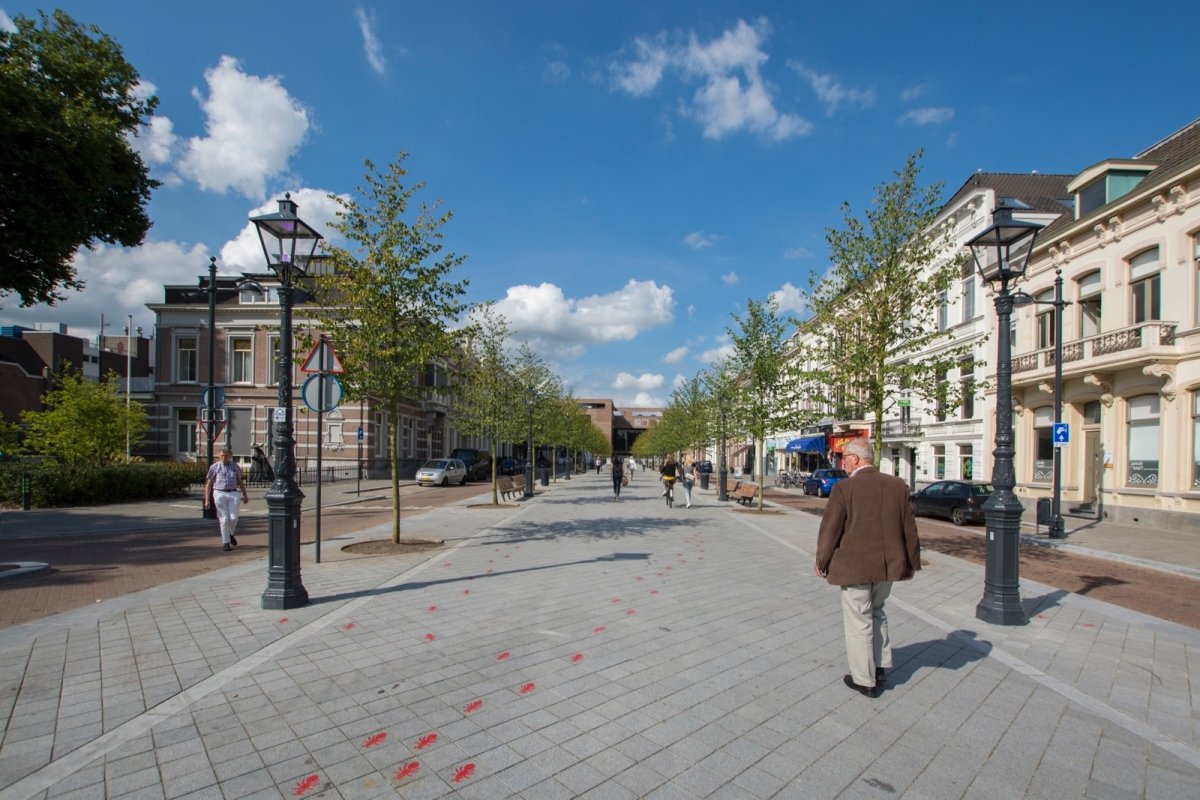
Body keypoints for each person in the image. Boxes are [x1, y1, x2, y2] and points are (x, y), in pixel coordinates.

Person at [813, 438, 920, 698]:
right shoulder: (897, 486)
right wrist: (911, 562)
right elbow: (909, 528)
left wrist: (821, 561)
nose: (843, 463)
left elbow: (830, 530)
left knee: (859, 620)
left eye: (845, 458)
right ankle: (880, 666)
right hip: (888, 566)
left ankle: (864, 679)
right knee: (878, 612)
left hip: (855, 566)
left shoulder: (844, 489)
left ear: (856, 459)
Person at [204, 448, 248, 551]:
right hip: (219, 492)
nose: (224, 457)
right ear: (219, 456)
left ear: (230, 456)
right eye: (222, 455)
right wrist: (207, 499)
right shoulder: (214, 467)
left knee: (233, 517)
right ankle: (226, 542)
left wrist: (245, 494)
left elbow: (240, 481)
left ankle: (230, 533)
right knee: (223, 518)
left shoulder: (235, 466)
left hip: (233, 493)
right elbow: (209, 483)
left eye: (226, 455)